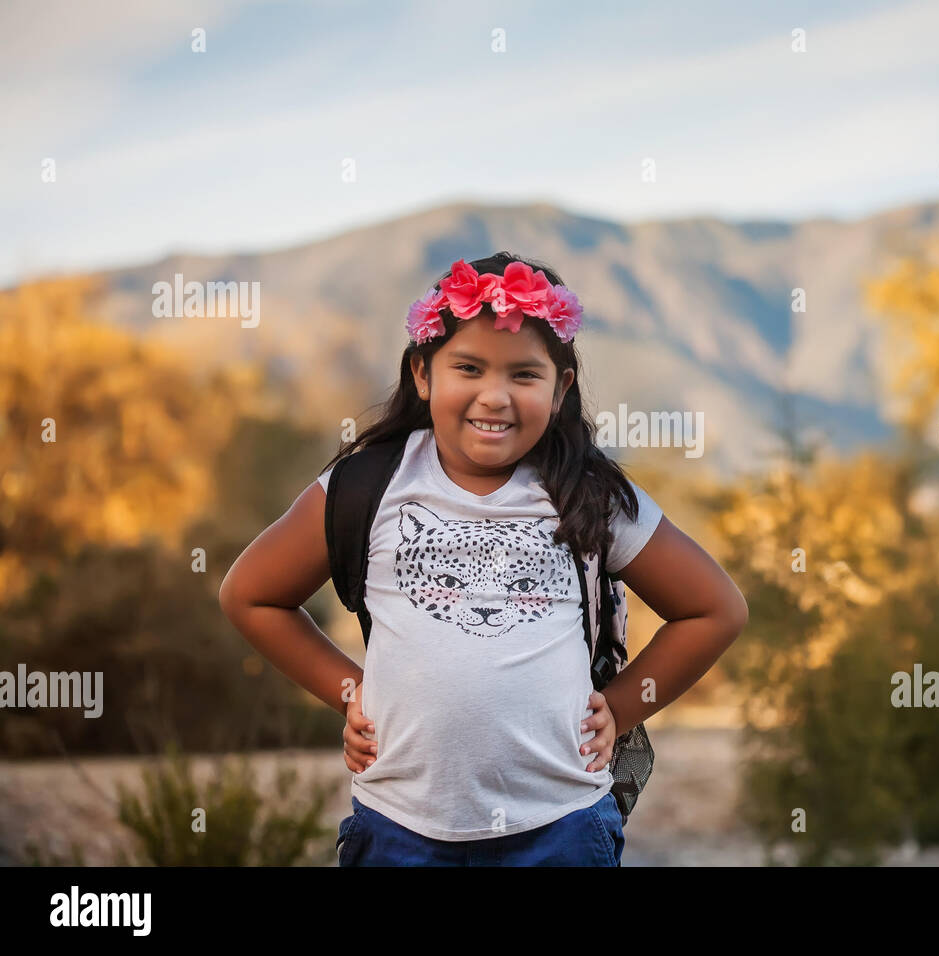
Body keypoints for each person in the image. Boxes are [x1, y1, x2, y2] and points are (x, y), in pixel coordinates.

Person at [219, 251, 748, 866]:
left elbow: (715, 610)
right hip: (398, 829)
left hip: (560, 830)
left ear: (560, 389)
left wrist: (622, 708)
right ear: (422, 374)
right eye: (468, 368)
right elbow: (251, 596)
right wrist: (349, 691)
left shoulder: (588, 495)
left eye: (524, 375)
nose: (494, 397)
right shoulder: (367, 486)